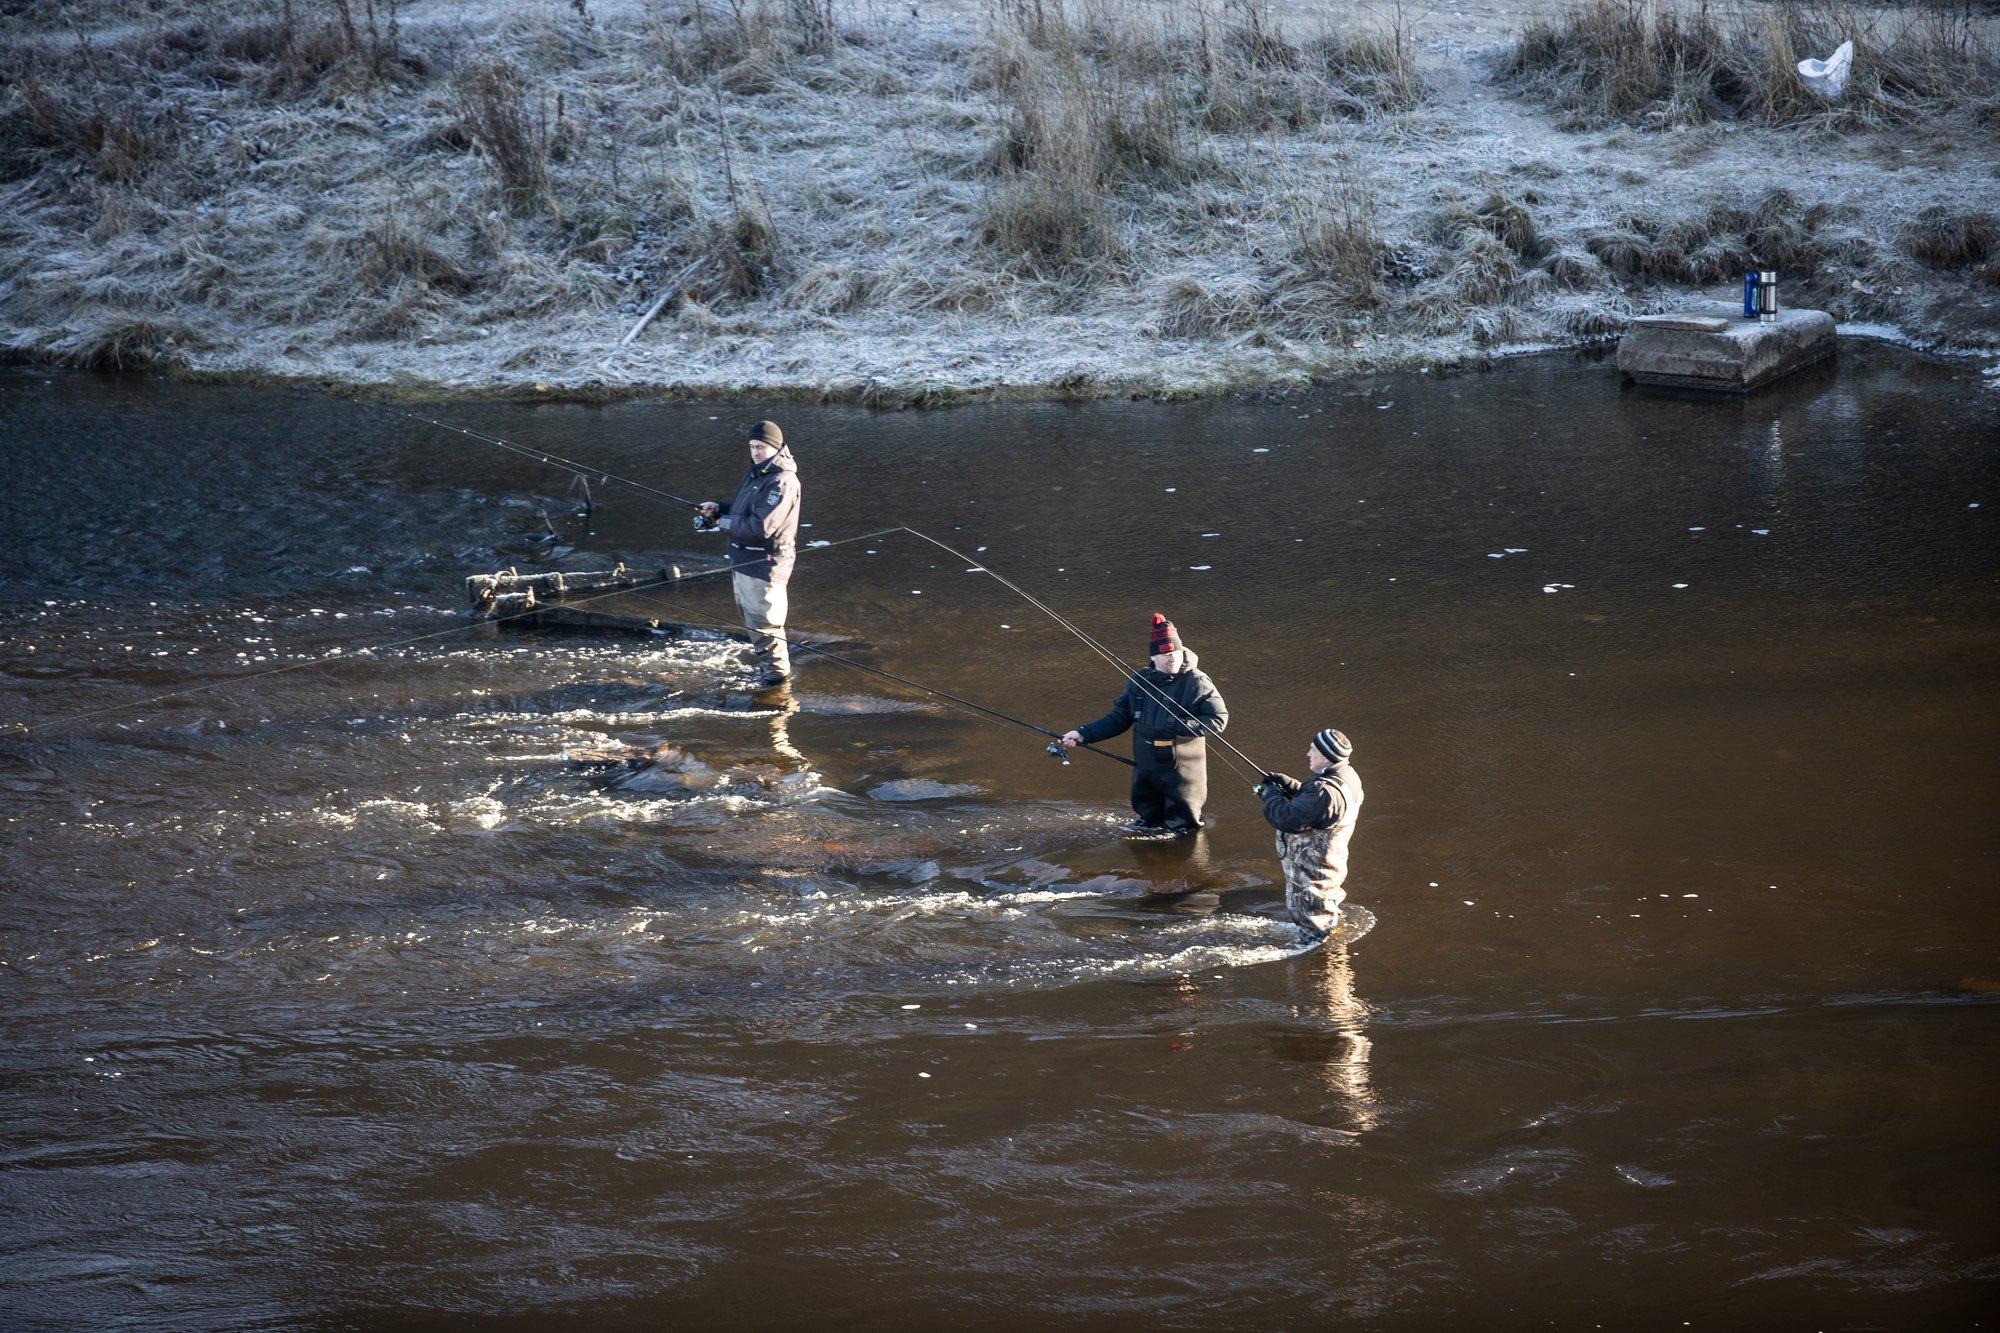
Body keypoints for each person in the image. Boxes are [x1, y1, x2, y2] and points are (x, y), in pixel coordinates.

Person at [1060, 613, 1227, 836]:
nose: (1172, 659)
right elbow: (1118, 719)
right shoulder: (1139, 682)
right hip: (1146, 766)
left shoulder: (1197, 681)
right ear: (1154, 657)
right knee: (1148, 823)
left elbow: (1218, 718)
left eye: (1176, 653)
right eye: (1166, 654)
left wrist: (1179, 727)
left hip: (1182, 769)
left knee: (1185, 827)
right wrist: (1083, 734)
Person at [697, 420, 801, 686]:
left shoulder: (781, 482)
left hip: (763, 566)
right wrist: (719, 508)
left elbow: (761, 527)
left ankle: (777, 683)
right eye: (752, 447)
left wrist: (722, 522)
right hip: (744, 561)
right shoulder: (758, 473)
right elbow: (747, 511)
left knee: (766, 627)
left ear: (775, 448)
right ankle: (769, 673)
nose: (755, 452)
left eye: (761, 447)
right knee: (755, 625)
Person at [1256, 727, 1364, 938]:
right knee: (1324, 905)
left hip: (1310, 872)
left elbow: (1286, 819)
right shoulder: (1345, 776)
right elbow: (1317, 808)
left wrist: (1270, 795)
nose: (1308, 753)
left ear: (1326, 757)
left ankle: (1321, 959)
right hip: (1328, 865)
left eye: (1312, 749)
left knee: (1314, 928)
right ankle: (1331, 936)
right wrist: (1291, 786)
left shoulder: (1324, 791)